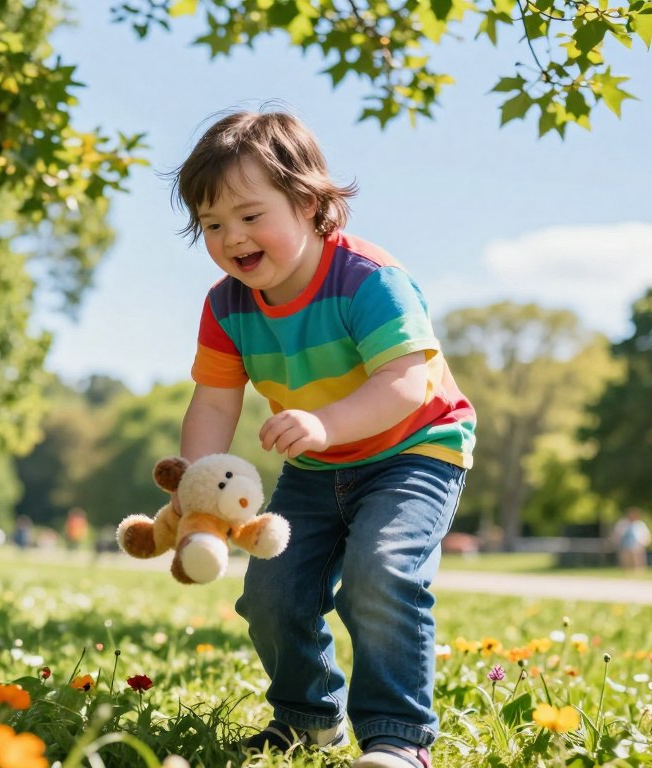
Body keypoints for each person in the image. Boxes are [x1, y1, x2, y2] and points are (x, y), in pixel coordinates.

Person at [169, 108, 474, 768]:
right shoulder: (227, 305)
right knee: (273, 592)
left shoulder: (367, 279)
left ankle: (398, 739)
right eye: (213, 225)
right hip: (314, 467)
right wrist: (198, 487)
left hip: (414, 451)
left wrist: (325, 422)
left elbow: (405, 382)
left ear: (309, 203)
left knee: (383, 570)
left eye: (251, 216)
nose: (232, 238)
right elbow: (215, 402)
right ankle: (308, 721)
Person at [611, 508, 651, 572]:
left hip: (637, 544)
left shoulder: (639, 524)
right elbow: (617, 533)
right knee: (626, 558)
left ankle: (639, 571)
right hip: (625, 543)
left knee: (638, 558)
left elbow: (645, 534)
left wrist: (645, 541)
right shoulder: (623, 523)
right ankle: (626, 571)